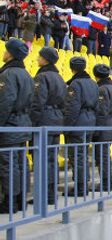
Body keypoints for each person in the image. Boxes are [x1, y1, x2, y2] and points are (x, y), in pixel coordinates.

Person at [0, 39, 33, 212]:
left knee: (8, 164)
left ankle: (9, 202)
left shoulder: (8, 74)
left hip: (11, 125)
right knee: (21, 163)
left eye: (6, 51)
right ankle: (20, 200)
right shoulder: (26, 74)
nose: (4, 53)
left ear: (11, 54)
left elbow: (5, 102)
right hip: (23, 124)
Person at [30, 46, 66, 204]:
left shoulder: (42, 77)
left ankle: (42, 195)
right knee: (51, 159)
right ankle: (51, 195)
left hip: (44, 120)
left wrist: (32, 124)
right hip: (56, 121)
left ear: (46, 59)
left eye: (40, 56)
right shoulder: (59, 78)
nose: (37, 58)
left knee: (41, 159)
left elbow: (37, 102)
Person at [64, 57, 99, 196]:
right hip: (90, 122)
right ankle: (84, 184)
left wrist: (66, 127)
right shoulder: (93, 83)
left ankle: (80, 187)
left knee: (77, 156)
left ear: (72, 67)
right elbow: (97, 106)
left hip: (78, 123)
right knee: (83, 155)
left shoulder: (75, 84)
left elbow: (72, 108)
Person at [92, 64, 112, 191]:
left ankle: (106, 183)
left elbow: (101, 111)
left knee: (102, 156)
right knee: (104, 155)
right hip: (111, 123)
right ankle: (108, 182)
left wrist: (96, 131)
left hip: (104, 126)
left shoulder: (102, 89)